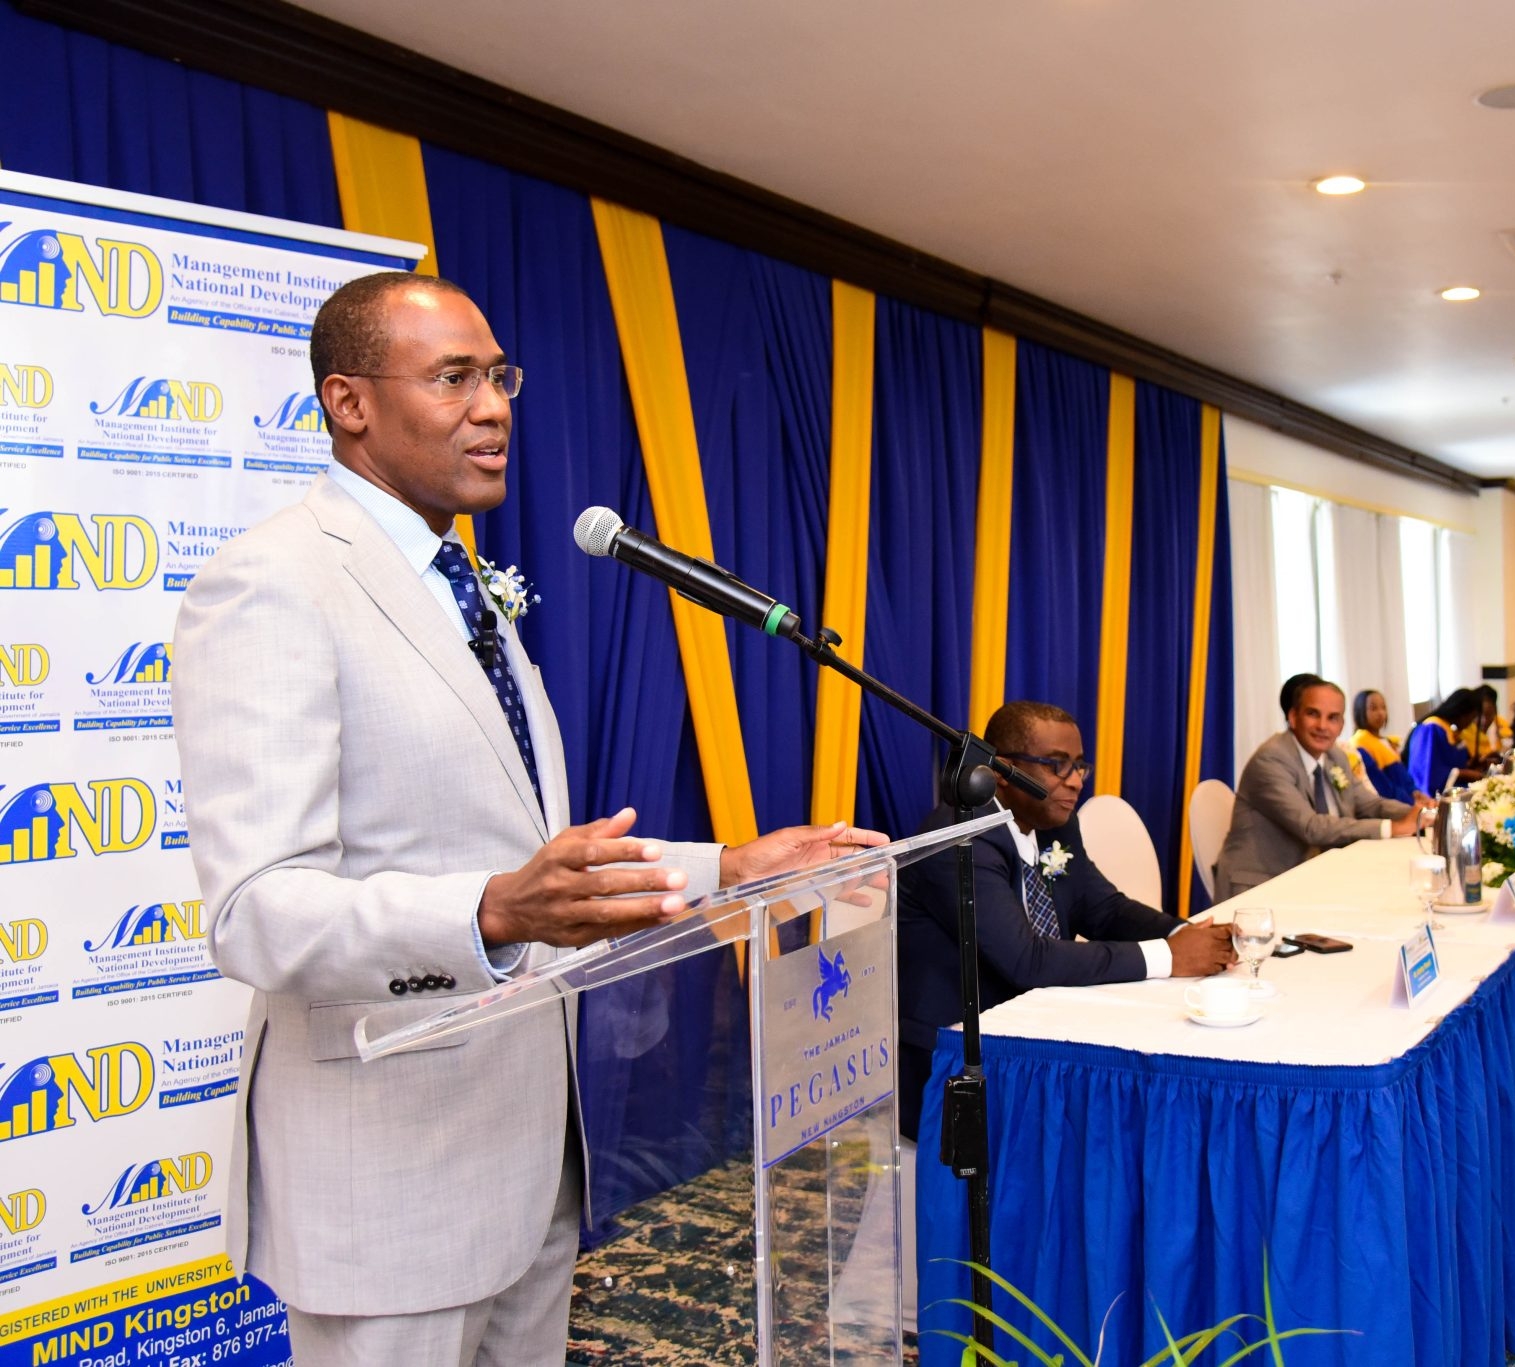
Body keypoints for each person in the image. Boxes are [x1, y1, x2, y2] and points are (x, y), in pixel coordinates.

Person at [170, 273, 884, 1367]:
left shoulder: (465, 585)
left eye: (498, 375)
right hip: (391, 1183)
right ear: (349, 402)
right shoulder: (274, 584)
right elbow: (257, 913)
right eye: (452, 377)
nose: (494, 404)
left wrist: (729, 865)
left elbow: (528, 857)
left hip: (534, 1163)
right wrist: (495, 908)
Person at [895, 700, 1234, 1140]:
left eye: (1079, 766)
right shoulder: (960, 838)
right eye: (1057, 765)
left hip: (1034, 1025)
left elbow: (1104, 908)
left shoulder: (1052, 821)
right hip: (957, 1059)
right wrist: (1169, 956)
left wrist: (1182, 932)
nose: (1074, 782)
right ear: (1002, 770)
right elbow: (1026, 960)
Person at [1216, 676, 1421, 897]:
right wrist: (1394, 827)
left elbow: (1368, 803)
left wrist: (1420, 813)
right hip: (1262, 885)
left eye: (1333, 718)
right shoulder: (1271, 759)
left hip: (1316, 874)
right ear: (1293, 717)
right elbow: (1311, 827)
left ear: (1342, 725)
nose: (1323, 726)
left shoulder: (1335, 755)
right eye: (1313, 714)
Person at [1348, 687, 1427, 804]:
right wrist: (1412, 803)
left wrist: (1416, 792)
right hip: (1395, 805)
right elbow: (1383, 787)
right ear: (1360, 711)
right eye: (1373, 708)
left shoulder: (1386, 741)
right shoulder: (1361, 742)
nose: (1380, 713)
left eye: (1383, 707)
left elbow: (1403, 778)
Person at [1403, 688, 1487, 794]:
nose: (1469, 724)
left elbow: (1450, 763)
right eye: (1471, 718)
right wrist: (1463, 773)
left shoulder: (1450, 730)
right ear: (1462, 713)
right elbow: (1429, 772)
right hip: (1431, 796)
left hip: (1455, 788)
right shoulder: (1431, 729)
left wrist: (1471, 764)